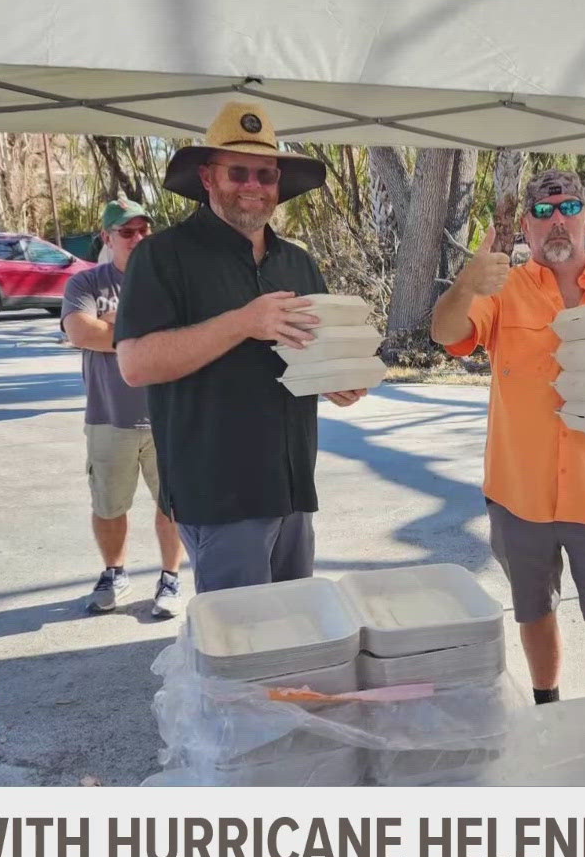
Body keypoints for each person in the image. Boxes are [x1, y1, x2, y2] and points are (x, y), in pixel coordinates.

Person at [430, 169, 585, 702]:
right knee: (534, 612)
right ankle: (548, 710)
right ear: (526, 227)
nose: (556, 220)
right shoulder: (502, 292)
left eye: (568, 209)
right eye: (542, 212)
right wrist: (466, 283)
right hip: (520, 497)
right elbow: (447, 334)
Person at [115, 101, 366, 593]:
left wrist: (339, 382)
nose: (253, 185)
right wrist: (243, 322)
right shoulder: (162, 256)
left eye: (265, 174)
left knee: (294, 637)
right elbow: (135, 364)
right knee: (242, 655)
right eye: (239, 172)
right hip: (220, 497)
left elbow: (317, 354)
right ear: (208, 177)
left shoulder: (297, 262)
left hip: (294, 490)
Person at [62, 197, 187, 617]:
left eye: (143, 230)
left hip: (167, 417)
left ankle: (170, 577)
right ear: (107, 237)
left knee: (173, 504)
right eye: (127, 232)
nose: (138, 238)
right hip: (108, 417)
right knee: (109, 505)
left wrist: (113, 329)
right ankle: (114, 573)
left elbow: (185, 334)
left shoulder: (170, 281)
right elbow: (81, 331)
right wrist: (148, 336)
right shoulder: (87, 285)